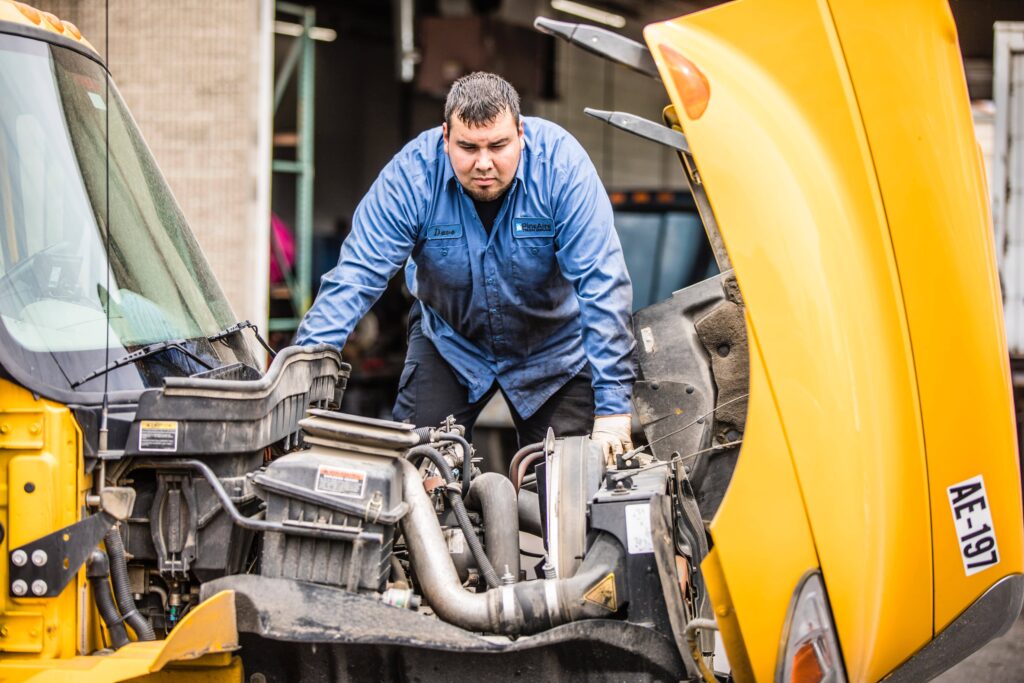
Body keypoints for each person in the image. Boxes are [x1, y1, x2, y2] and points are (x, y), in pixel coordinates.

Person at [296, 72, 635, 464]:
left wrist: (613, 410)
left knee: (569, 496)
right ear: (445, 136)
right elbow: (355, 277)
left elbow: (602, 284)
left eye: (498, 145)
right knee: (414, 475)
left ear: (521, 132)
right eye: (468, 147)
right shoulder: (412, 177)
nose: (484, 163)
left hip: (553, 353)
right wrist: (303, 378)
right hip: (451, 345)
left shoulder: (561, 168)